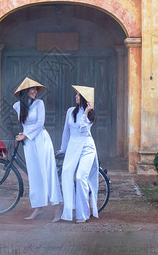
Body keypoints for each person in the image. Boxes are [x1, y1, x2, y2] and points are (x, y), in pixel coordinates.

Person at [13, 77, 63, 222]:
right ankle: (38, 208)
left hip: (41, 140)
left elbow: (41, 123)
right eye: (32, 89)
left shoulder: (39, 103)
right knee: (34, 175)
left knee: (48, 172)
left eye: (35, 89)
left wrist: (26, 135)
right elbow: (25, 125)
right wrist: (24, 135)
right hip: (29, 143)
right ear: (25, 91)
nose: (35, 91)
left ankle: (57, 206)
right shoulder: (18, 106)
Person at [56, 85, 99, 223]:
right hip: (73, 147)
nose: (75, 97)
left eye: (78, 95)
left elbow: (82, 129)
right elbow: (66, 132)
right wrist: (63, 149)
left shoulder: (91, 115)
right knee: (66, 173)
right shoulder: (70, 111)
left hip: (87, 147)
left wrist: (86, 112)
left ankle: (83, 214)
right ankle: (69, 210)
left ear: (84, 98)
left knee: (81, 177)